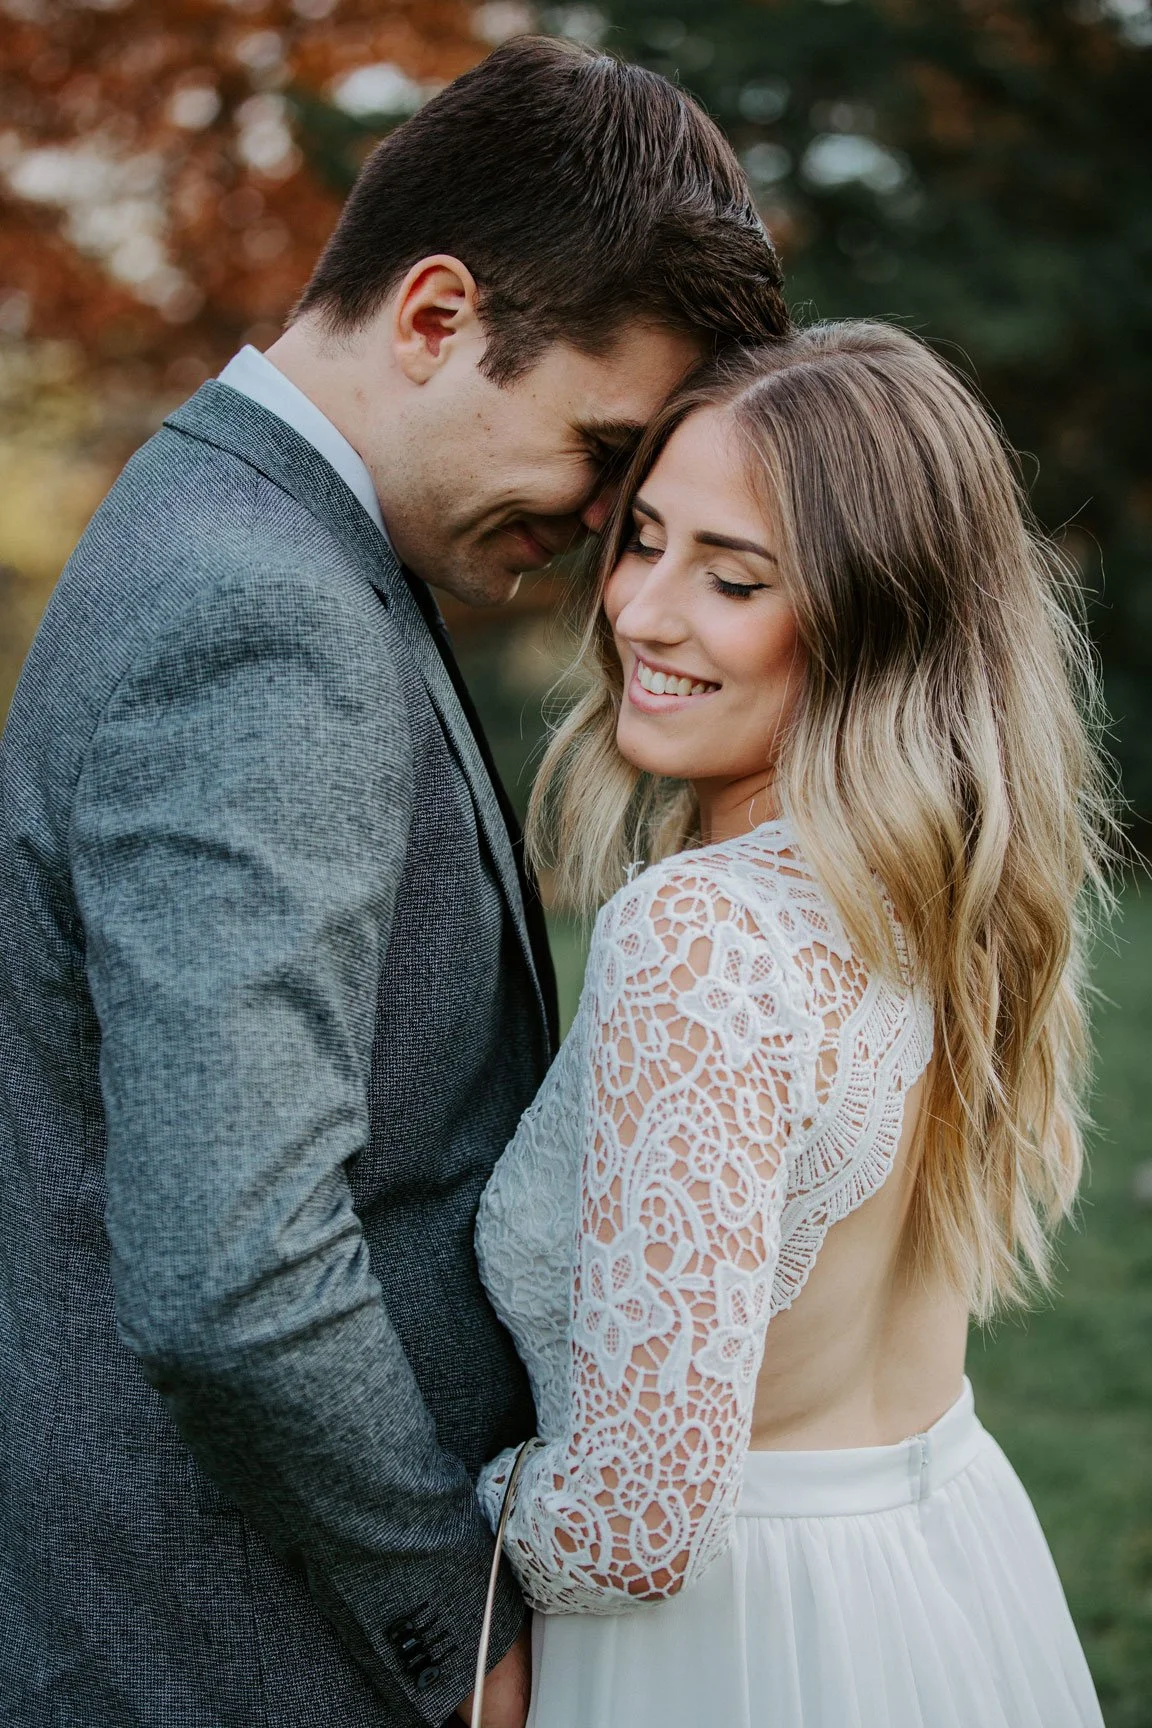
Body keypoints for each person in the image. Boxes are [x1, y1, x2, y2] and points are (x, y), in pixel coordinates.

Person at [0, 37, 788, 1728]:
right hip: (235, 1645)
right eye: (601, 448)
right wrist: (457, 1620)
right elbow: (235, 1265)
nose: (600, 525)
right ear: (437, 316)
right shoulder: (262, 615)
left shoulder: (260, 526)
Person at [476, 321, 1109, 1727]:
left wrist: (457, 1519)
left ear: (874, 618)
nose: (641, 611)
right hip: (942, 1581)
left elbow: (638, 1523)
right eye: (644, 538)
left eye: (734, 576)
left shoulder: (700, 934)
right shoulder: (941, 894)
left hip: (723, 1655)